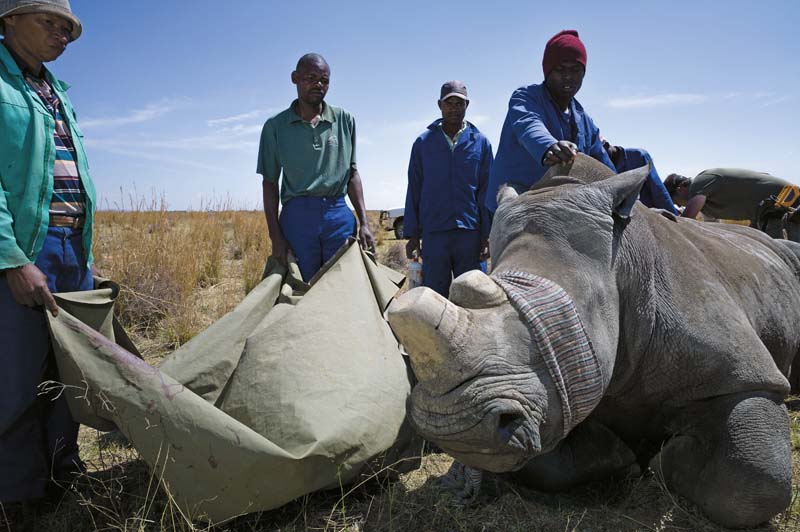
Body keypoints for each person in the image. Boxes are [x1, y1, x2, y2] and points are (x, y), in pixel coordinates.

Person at [0, 0, 95, 514]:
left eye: (66, 28)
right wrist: (11, 259)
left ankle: (64, 467)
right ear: (9, 20)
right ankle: (15, 493)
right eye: (48, 23)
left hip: (70, 249)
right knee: (15, 374)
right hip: (22, 248)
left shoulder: (57, 93)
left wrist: (85, 254)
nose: (60, 34)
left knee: (66, 370)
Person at [257, 53, 374, 282]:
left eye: (325, 80)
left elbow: (352, 173)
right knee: (301, 288)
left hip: (338, 215)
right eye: (311, 77)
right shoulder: (275, 126)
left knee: (343, 286)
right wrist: (275, 237)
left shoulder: (344, 120)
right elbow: (270, 182)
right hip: (297, 217)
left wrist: (364, 223)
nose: (319, 84)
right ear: (295, 78)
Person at [487, 29, 615, 213]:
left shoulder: (584, 120)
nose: (568, 76)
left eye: (576, 70)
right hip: (515, 203)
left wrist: (634, 200)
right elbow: (529, 124)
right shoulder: (525, 98)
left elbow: (605, 168)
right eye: (560, 69)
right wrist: (548, 146)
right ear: (547, 72)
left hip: (555, 209)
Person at [404, 81, 493, 297]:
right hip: (435, 234)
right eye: (449, 103)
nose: (454, 108)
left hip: (469, 235)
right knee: (434, 300)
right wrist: (412, 235)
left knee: (473, 297)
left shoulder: (481, 143)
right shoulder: (423, 143)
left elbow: (486, 192)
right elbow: (414, 188)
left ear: (467, 105)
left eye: (459, 103)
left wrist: (487, 236)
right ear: (439, 105)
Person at [664, 169, 796, 224]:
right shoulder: (706, 206)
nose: (680, 206)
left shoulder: (700, 182)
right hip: (767, 215)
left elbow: (685, 221)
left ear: (680, 189)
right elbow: (711, 230)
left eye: (676, 202)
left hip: (788, 200)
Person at [602, 140, 679, 215]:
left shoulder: (638, 156)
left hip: (652, 215)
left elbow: (658, 190)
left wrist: (673, 215)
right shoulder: (605, 167)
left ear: (607, 145)